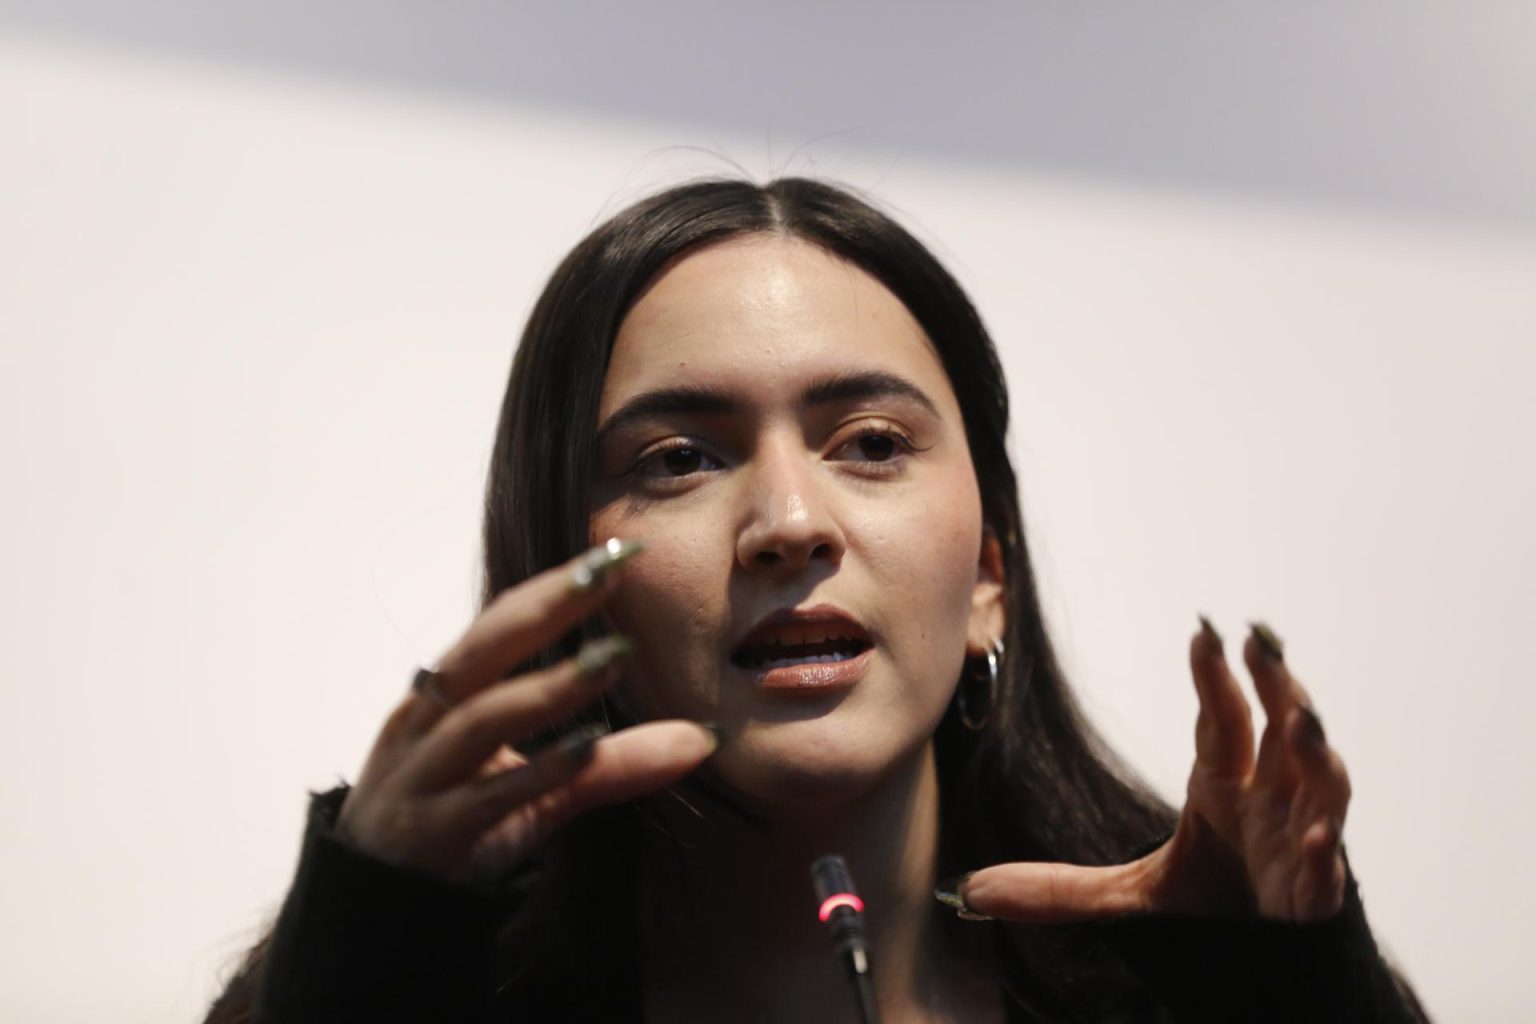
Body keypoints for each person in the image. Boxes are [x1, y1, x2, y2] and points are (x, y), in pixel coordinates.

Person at [204, 177, 1430, 1023]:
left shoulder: (1181, 981)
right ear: (563, 579)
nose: (791, 523)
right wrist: (364, 965)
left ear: (991, 577)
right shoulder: (406, 990)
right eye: (679, 459)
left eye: (873, 443)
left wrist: (1285, 989)